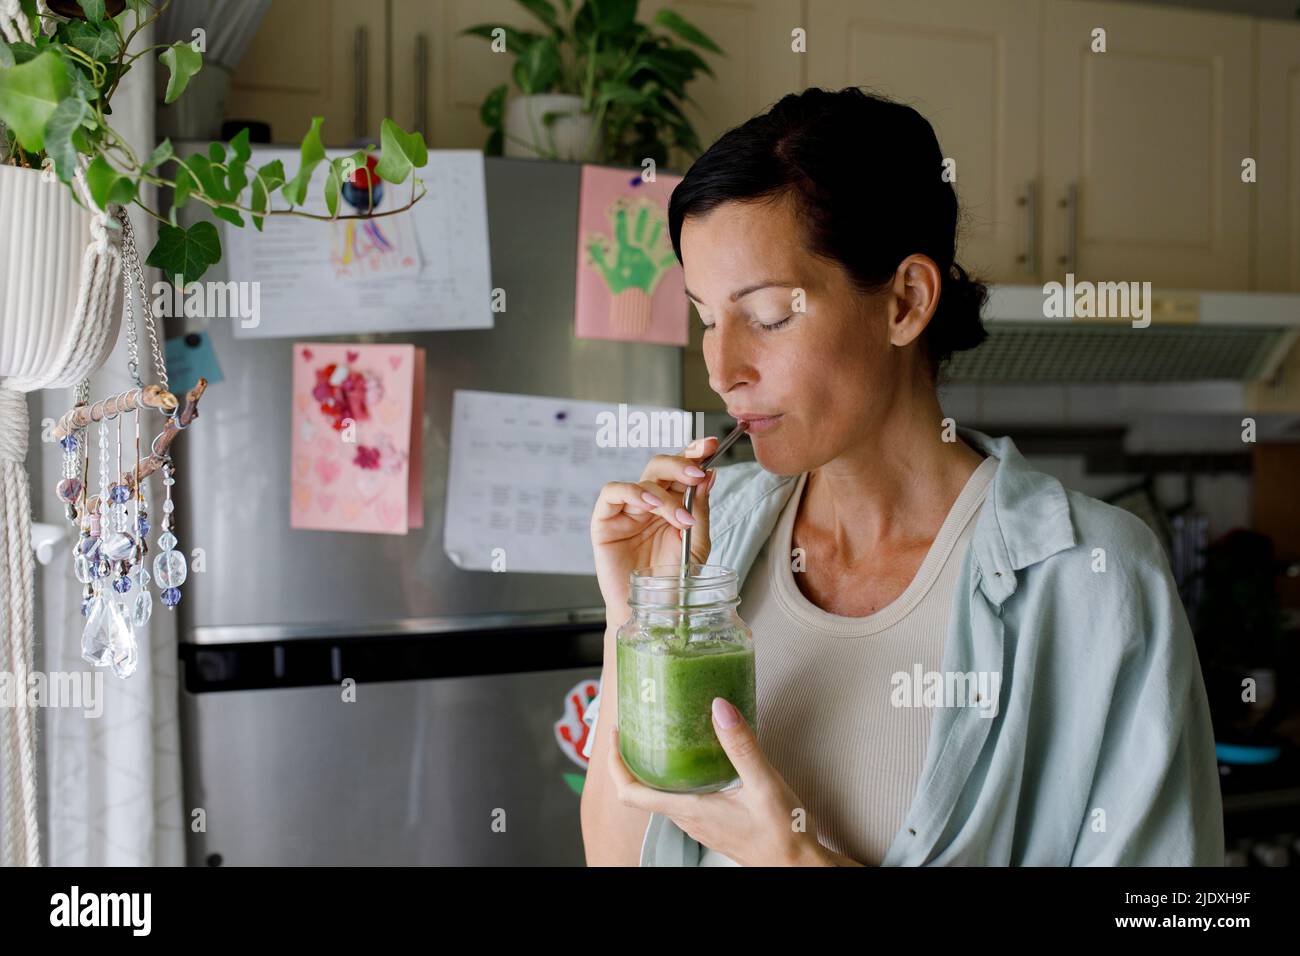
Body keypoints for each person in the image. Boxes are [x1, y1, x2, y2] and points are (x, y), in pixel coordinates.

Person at [579, 86, 1224, 867]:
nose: (723, 370)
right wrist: (637, 620)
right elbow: (621, 858)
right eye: (707, 319)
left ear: (906, 301)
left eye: (770, 315)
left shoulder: (1093, 579)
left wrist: (797, 859)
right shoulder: (711, 540)